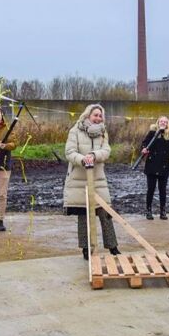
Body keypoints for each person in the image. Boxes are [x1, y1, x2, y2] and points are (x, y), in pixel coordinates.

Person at [63, 104, 120, 260]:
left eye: (100, 116)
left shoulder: (103, 133)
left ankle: (113, 247)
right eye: (95, 115)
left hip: (98, 179)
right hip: (79, 179)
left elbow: (107, 151)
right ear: (88, 115)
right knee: (84, 215)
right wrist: (83, 159)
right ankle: (86, 249)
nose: (98, 118)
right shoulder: (75, 131)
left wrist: (94, 155)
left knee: (105, 213)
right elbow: (69, 152)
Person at [140, 116, 169, 220]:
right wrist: (143, 149)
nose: (163, 123)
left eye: (165, 121)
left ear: (167, 124)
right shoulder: (152, 133)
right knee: (151, 189)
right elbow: (144, 143)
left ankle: (162, 211)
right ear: (158, 123)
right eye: (161, 121)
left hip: (164, 166)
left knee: (162, 190)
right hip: (152, 165)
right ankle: (148, 211)